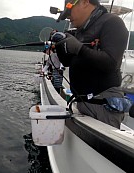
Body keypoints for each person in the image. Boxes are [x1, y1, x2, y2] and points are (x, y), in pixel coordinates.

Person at [53, 0, 128, 128]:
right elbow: (67, 62)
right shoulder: (81, 31)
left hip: (104, 106)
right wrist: (60, 47)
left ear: (84, 2)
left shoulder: (112, 22)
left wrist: (79, 48)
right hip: (83, 103)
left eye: (69, 11)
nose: (69, 18)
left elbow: (111, 63)